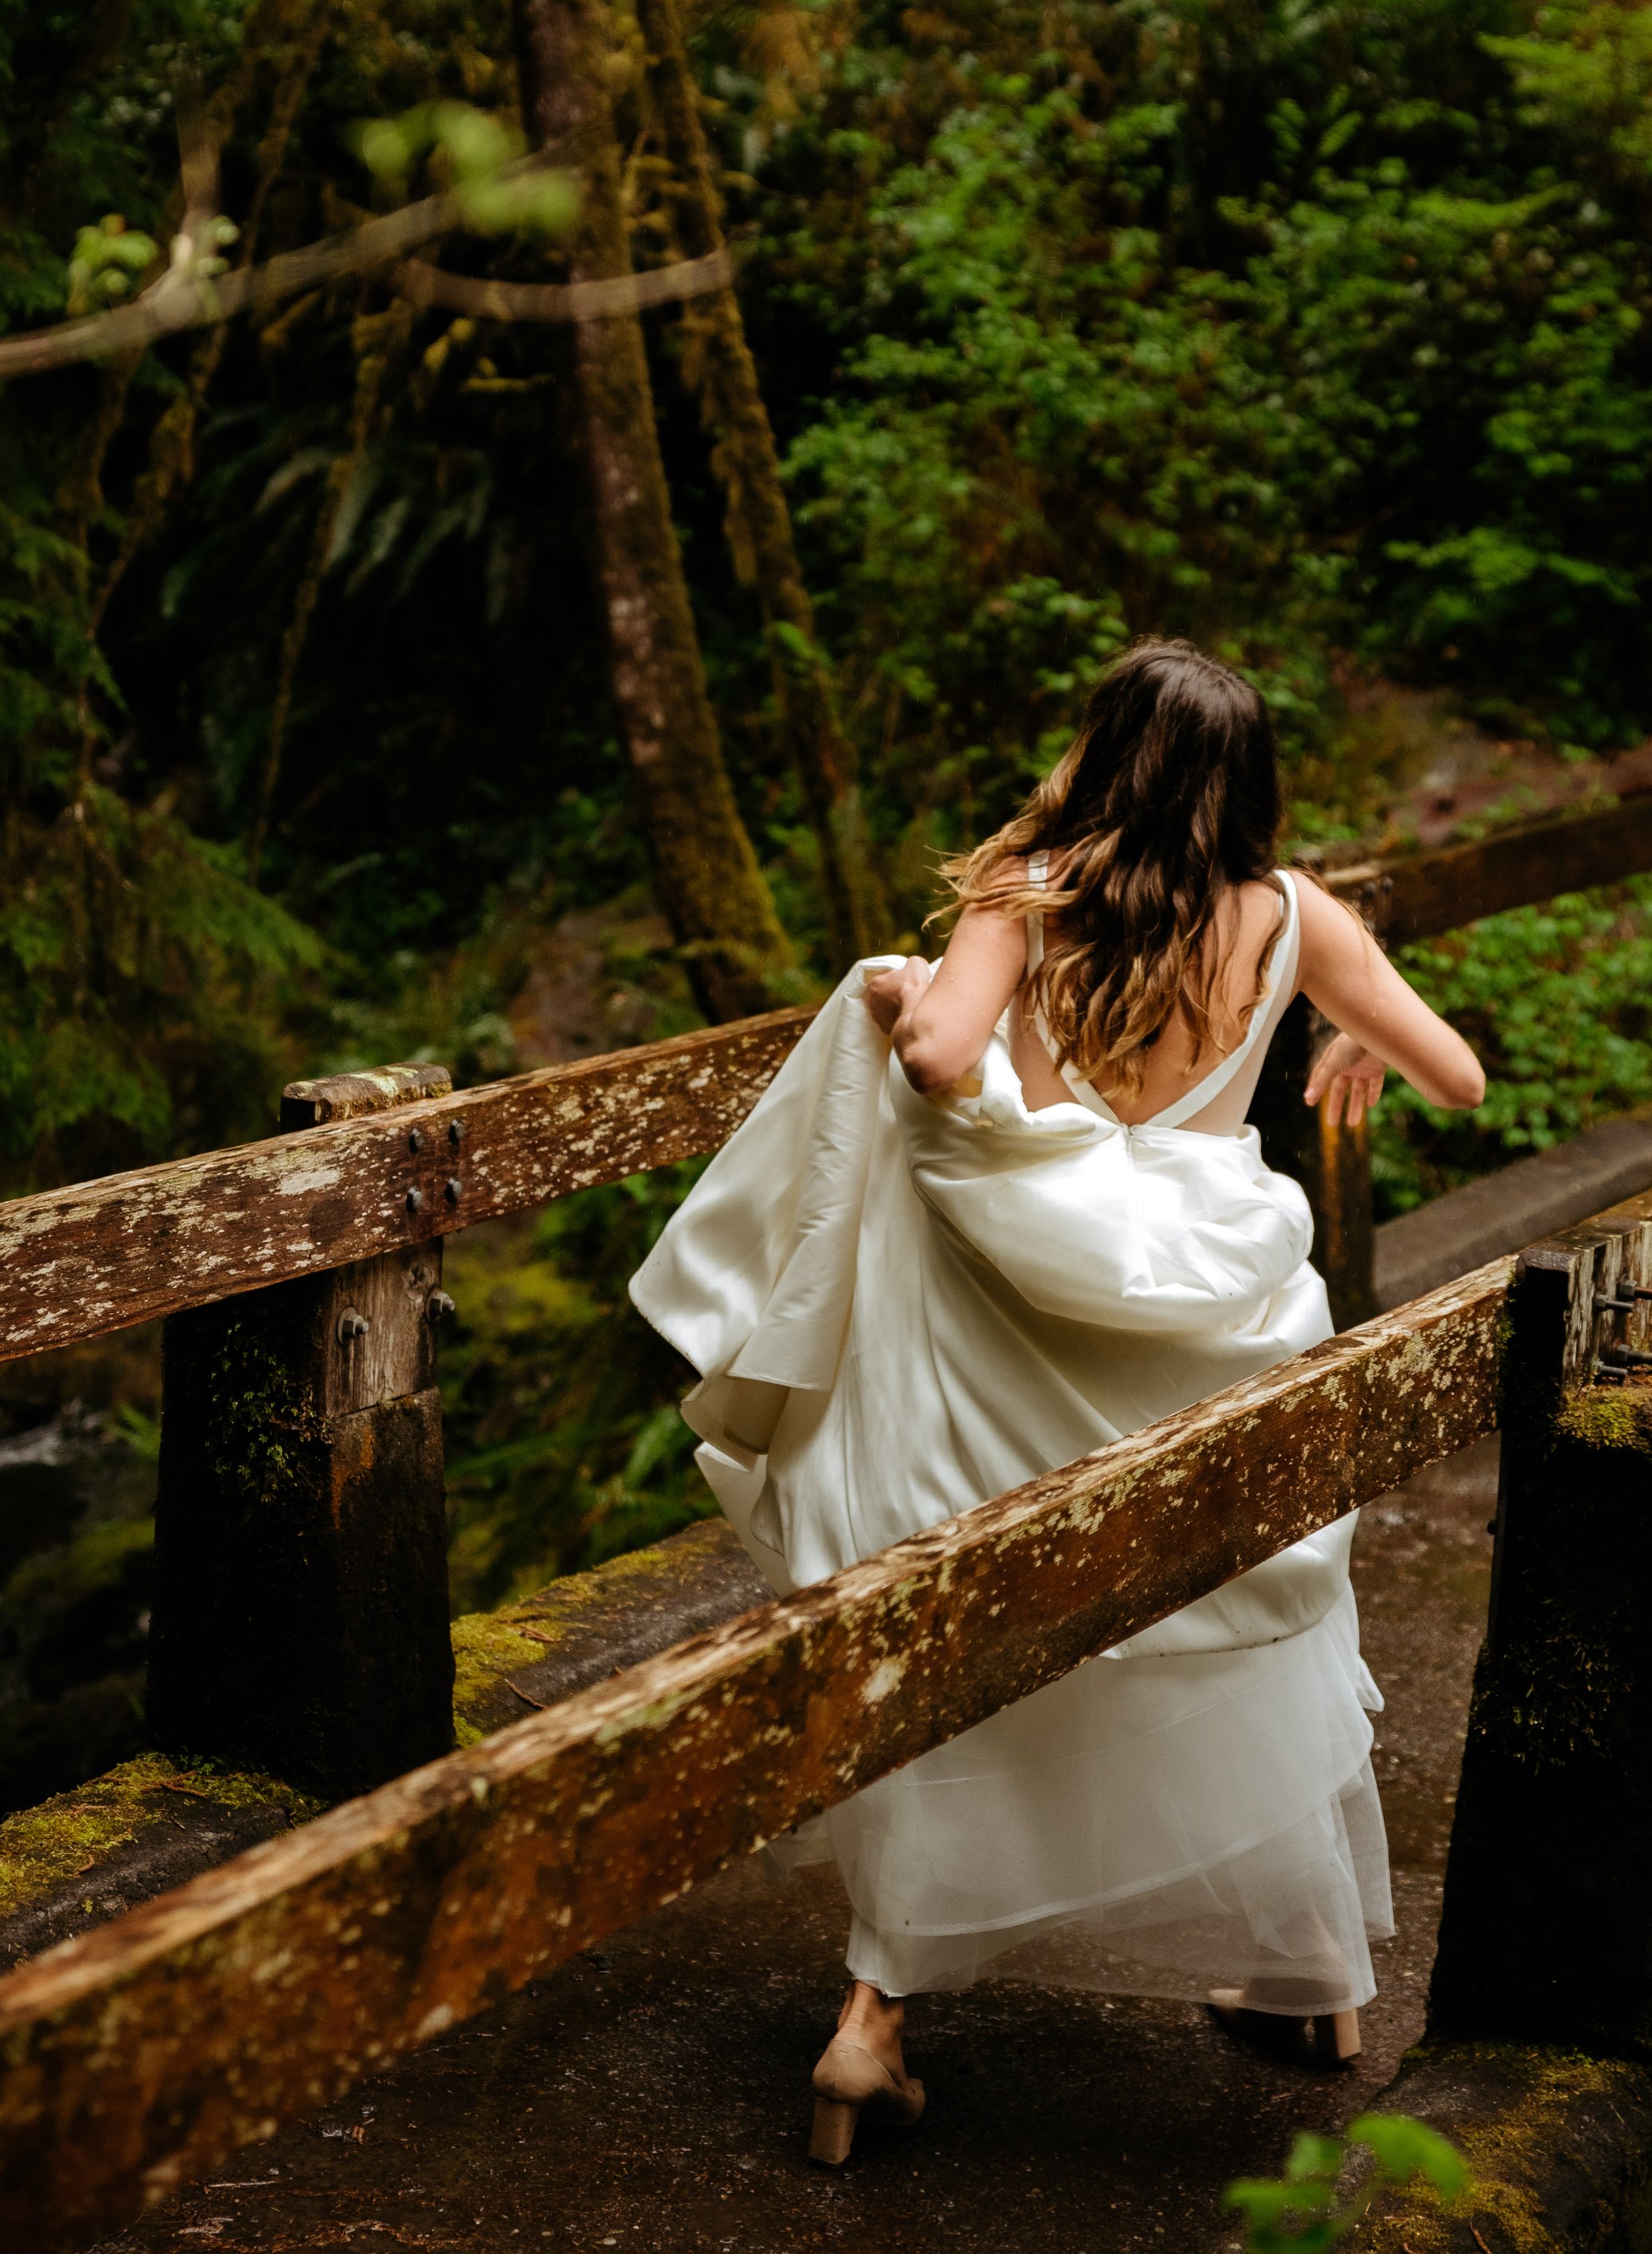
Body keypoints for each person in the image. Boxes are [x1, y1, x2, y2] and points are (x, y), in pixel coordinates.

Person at [630, 639, 1484, 2166]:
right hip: (1208, 1311)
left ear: (1106, 755)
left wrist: (907, 991)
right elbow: (1463, 1079)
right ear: (1249, 783)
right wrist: (1352, 1024)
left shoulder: (1029, 886)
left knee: (972, 1631)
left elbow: (947, 1055)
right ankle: (1310, 1984)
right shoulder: (1296, 916)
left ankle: (871, 2025)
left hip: (1023, 1332)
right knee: (1238, 1602)